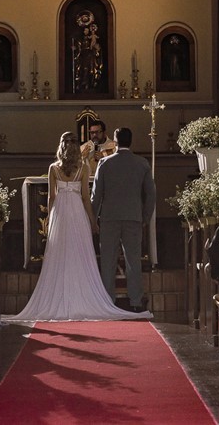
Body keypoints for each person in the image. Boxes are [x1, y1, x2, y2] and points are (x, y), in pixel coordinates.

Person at [4, 132, 150, 322]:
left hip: (61, 213)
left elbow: (51, 197)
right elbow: (86, 198)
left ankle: (73, 296)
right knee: (81, 253)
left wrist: (49, 219)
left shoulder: (53, 168)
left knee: (63, 253)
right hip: (79, 213)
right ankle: (103, 297)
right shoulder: (83, 167)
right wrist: (92, 220)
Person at [91, 127, 157, 313]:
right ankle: (135, 301)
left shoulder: (104, 163)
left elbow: (97, 195)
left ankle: (107, 301)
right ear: (131, 141)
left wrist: (93, 219)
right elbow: (151, 194)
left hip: (109, 218)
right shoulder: (142, 163)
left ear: (115, 141)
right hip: (133, 217)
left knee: (108, 261)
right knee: (133, 260)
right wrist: (145, 216)